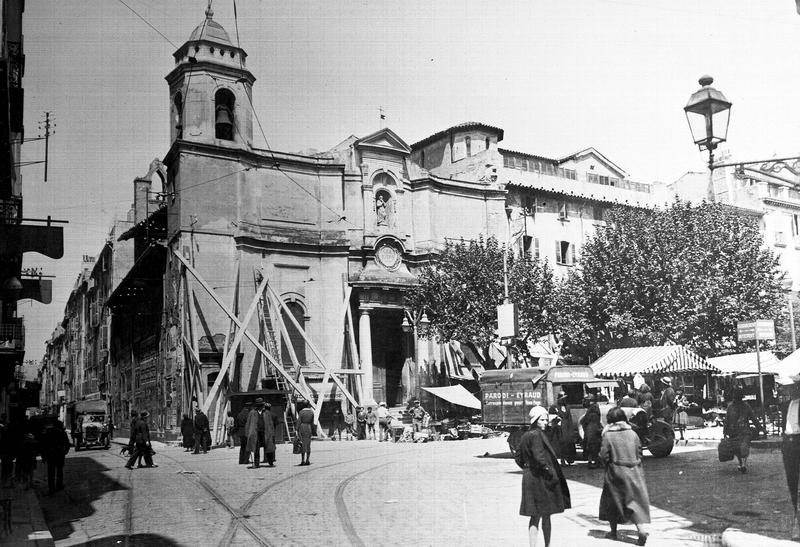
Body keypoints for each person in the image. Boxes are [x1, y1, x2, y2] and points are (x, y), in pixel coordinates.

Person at [516, 406, 571, 547]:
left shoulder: (526, 435)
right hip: (540, 479)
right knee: (546, 514)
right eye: (542, 420)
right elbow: (540, 458)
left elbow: (518, 457)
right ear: (535, 420)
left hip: (529, 477)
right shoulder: (536, 435)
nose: (545, 422)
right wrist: (550, 473)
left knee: (535, 516)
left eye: (546, 419)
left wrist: (527, 468)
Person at [598, 407, 650, 546]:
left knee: (612, 503)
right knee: (634, 502)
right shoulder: (633, 434)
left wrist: (607, 465)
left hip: (615, 472)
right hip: (634, 471)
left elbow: (603, 455)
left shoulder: (608, 435)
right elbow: (640, 452)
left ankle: (613, 533)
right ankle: (641, 531)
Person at [724, 387, 763, 473]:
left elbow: (753, 418)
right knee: (737, 449)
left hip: (744, 431)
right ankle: (741, 463)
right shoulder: (730, 407)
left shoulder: (746, 406)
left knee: (744, 446)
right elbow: (727, 420)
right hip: (734, 432)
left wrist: (760, 428)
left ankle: (743, 464)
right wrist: (725, 432)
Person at [781, 385, 800, 540]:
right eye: (790, 389)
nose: (791, 391)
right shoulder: (787, 404)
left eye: (794, 388)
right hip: (789, 443)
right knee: (791, 481)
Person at [40, 418, 70, 495]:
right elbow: (67, 444)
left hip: (50, 455)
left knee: (51, 472)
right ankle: (59, 486)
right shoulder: (62, 433)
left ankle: (51, 488)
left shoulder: (48, 433)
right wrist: (64, 452)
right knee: (59, 471)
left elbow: (43, 445)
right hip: (59, 454)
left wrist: (43, 456)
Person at [245, 398, 276, 468]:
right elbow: (248, 423)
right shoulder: (252, 413)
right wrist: (247, 433)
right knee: (256, 448)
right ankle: (256, 463)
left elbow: (270, 423)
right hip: (256, 433)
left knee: (268, 448)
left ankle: (270, 462)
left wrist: (272, 432)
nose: (261, 406)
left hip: (266, 432)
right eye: (259, 405)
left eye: (261, 405)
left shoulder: (267, 412)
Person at [580, 395, 602, 468]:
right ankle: (594, 461)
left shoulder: (593, 408)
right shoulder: (594, 408)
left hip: (592, 429)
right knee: (592, 445)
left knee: (592, 445)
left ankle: (593, 461)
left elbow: (586, 419)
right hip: (592, 428)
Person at [554, 392, 576, 466]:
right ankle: (562, 460)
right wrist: (556, 419)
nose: (564, 400)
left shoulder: (567, 407)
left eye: (564, 399)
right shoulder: (555, 407)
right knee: (561, 444)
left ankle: (569, 459)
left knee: (569, 442)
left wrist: (571, 429)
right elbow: (551, 417)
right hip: (559, 428)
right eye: (562, 399)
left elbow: (569, 418)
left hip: (567, 427)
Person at [297, 401, 315, 466]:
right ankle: (307, 459)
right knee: (308, 444)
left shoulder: (301, 412)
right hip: (309, 427)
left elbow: (299, 421)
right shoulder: (311, 412)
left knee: (303, 444)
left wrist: (297, 429)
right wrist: (313, 431)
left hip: (302, 427)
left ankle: (302, 460)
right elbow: (312, 423)